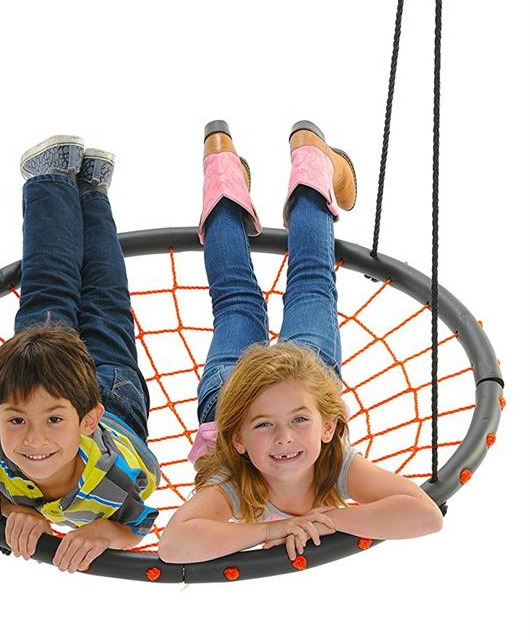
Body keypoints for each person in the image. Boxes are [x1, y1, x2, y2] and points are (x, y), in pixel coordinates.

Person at [157, 120, 443, 564]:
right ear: (239, 440)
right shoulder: (249, 475)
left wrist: (328, 519)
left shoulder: (306, 465)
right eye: (263, 426)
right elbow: (173, 545)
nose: (284, 438)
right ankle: (297, 162)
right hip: (304, 374)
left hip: (229, 393)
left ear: (327, 427)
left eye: (298, 421)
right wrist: (279, 527)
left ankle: (225, 168)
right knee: (309, 283)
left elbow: (428, 517)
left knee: (235, 300)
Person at [0, 136, 160, 573]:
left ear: (87, 420)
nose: (34, 439)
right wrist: (18, 510)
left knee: (49, 288)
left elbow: (135, 526)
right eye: (15, 421)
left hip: (52, 380)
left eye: (51, 421)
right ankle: (91, 193)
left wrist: (106, 532)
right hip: (116, 395)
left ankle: (51, 178)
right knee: (105, 298)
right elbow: (137, 522)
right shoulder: (116, 480)